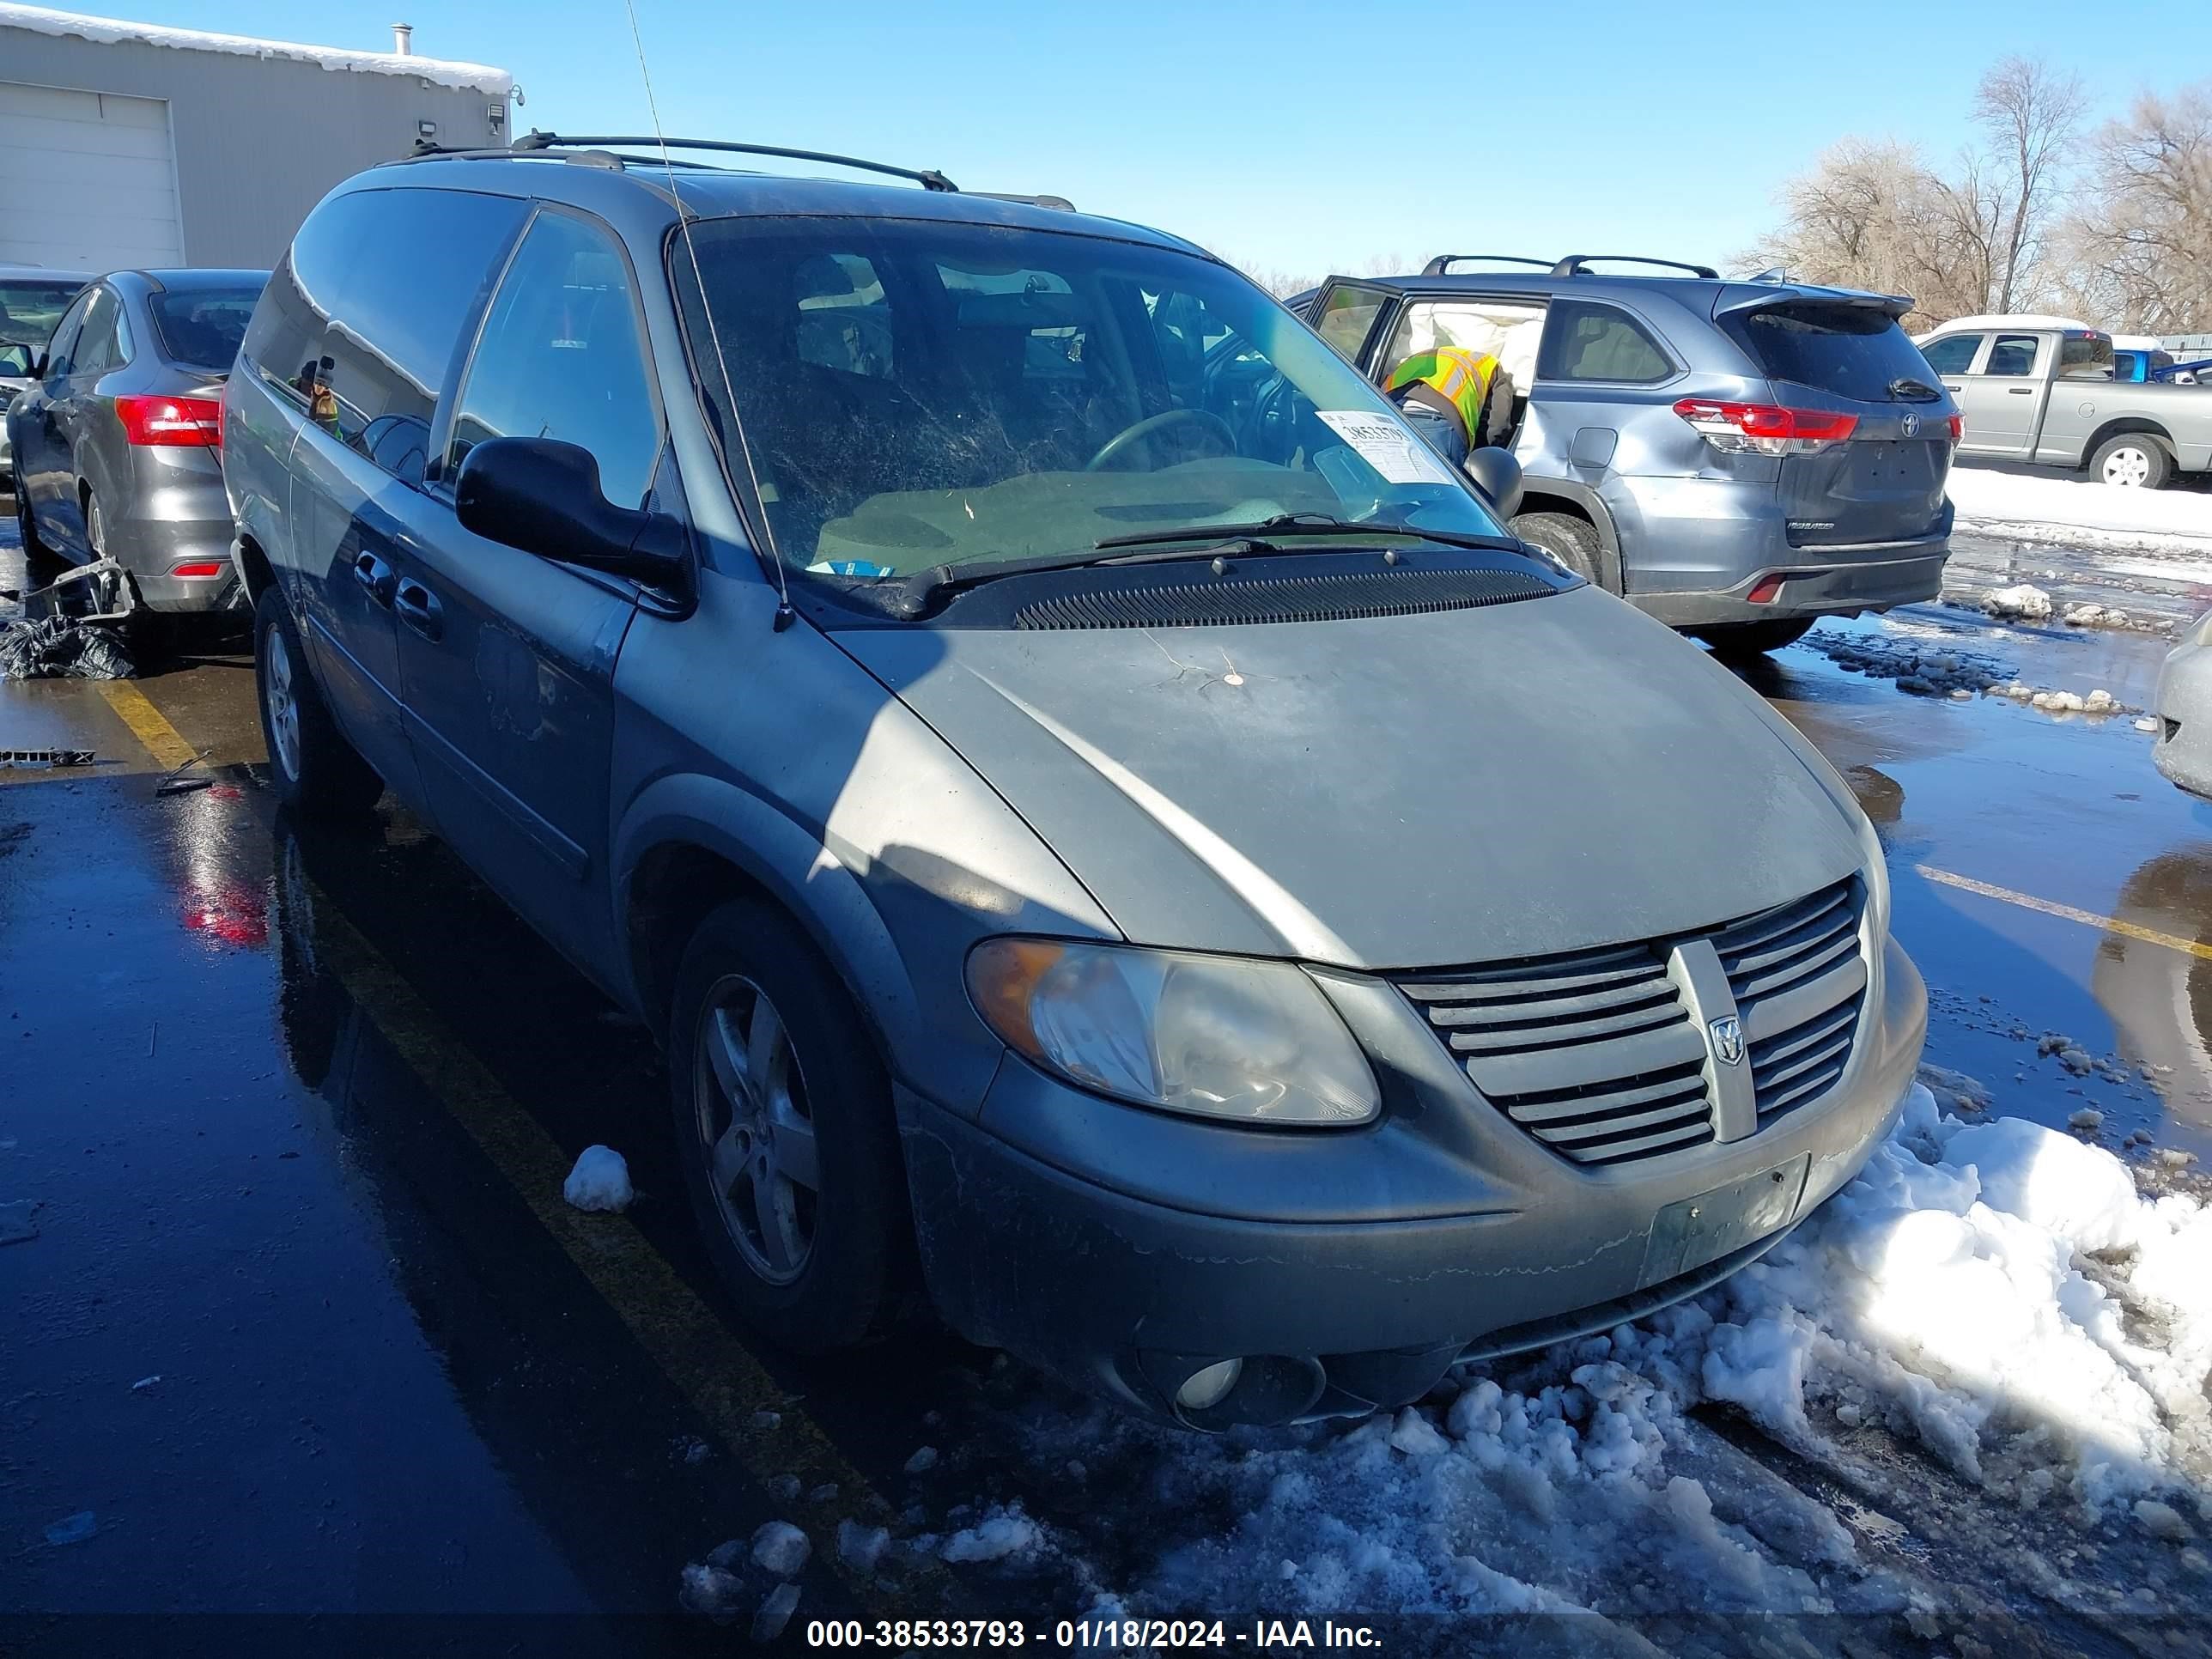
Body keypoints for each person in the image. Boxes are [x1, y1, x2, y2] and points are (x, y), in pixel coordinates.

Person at [1385, 346, 1514, 468]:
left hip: (1391, 415)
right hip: (1440, 422)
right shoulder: (1492, 365)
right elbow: (1500, 419)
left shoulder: (1423, 356)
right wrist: (1488, 451)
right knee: (1435, 487)